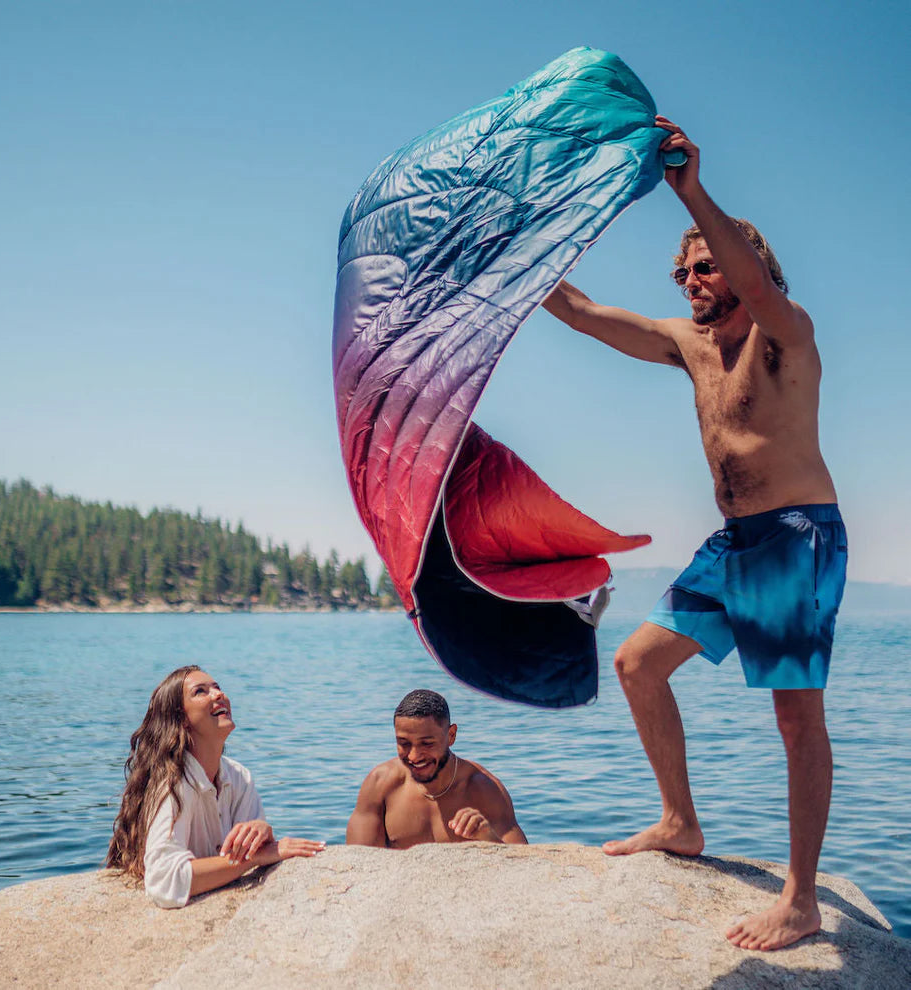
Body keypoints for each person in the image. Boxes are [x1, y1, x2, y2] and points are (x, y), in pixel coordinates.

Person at [542, 116, 846, 951]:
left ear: (748, 270)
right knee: (638, 664)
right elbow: (583, 312)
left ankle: (801, 897)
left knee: (795, 720)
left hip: (796, 539)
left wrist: (691, 191)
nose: (689, 281)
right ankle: (680, 821)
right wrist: (515, 251)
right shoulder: (692, 344)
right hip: (734, 544)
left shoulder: (787, 333)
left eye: (703, 266)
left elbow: (752, 278)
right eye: (681, 271)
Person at [107, 665, 324, 908]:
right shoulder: (174, 785)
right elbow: (163, 881)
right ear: (181, 719)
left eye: (217, 688)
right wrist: (252, 859)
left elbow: (260, 851)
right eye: (201, 691)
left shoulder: (239, 777)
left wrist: (261, 831)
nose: (219, 695)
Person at [346, 689, 528, 848]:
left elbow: (525, 869)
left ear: (451, 735)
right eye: (404, 743)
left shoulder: (484, 789)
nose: (414, 756)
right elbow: (357, 861)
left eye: (427, 744)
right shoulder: (380, 784)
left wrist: (488, 837)